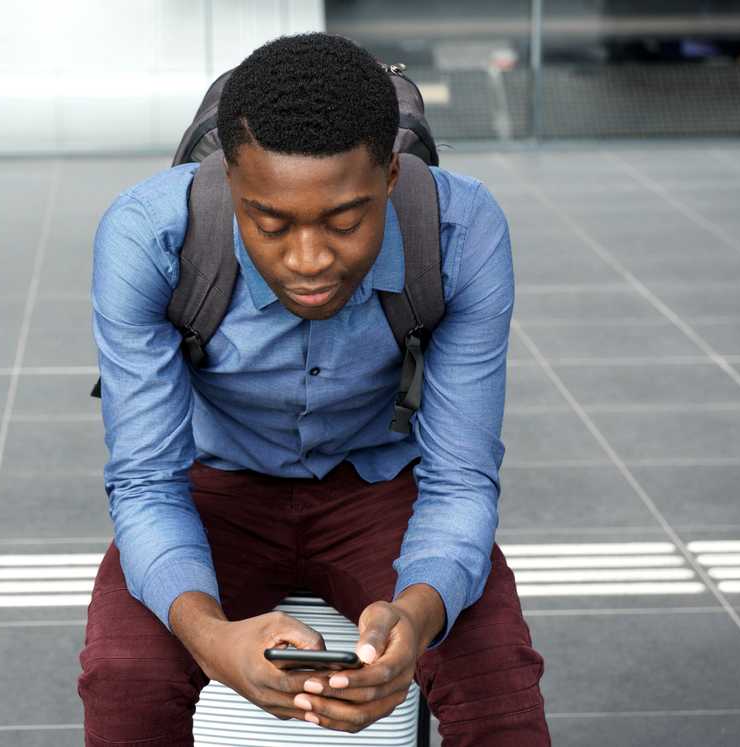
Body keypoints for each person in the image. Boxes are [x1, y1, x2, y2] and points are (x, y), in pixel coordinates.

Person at [77, 32, 550, 746]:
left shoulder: (461, 231)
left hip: (381, 484)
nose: (309, 261)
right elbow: (146, 481)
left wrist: (417, 618)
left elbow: (460, 480)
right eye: (270, 224)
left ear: (391, 175)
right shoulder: (148, 235)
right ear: (231, 185)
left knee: (499, 687)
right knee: (125, 677)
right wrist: (214, 641)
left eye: (345, 219)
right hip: (215, 488)